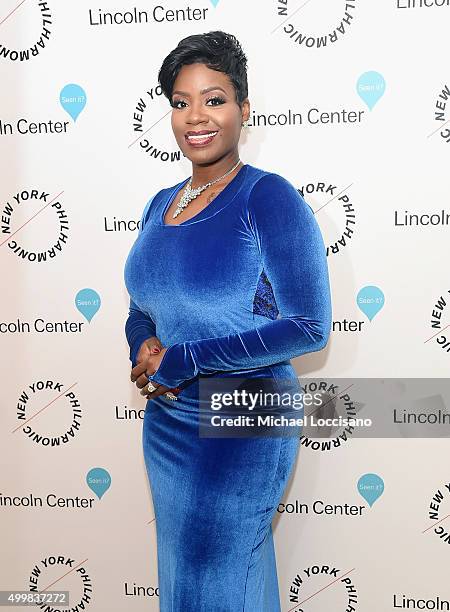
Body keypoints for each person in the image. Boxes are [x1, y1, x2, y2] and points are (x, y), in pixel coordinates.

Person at [123, 30, 332, 612]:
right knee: (189, 580)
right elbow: (144, 305)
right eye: (181, 101)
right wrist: (143, 342)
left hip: (245, 417)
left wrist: (185, 359)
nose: (196, 116)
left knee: (221, 580)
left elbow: (309, 326)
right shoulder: (159, 203)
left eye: (214, 99)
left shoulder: (268, 198)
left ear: (243, 108)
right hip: (167, 419)